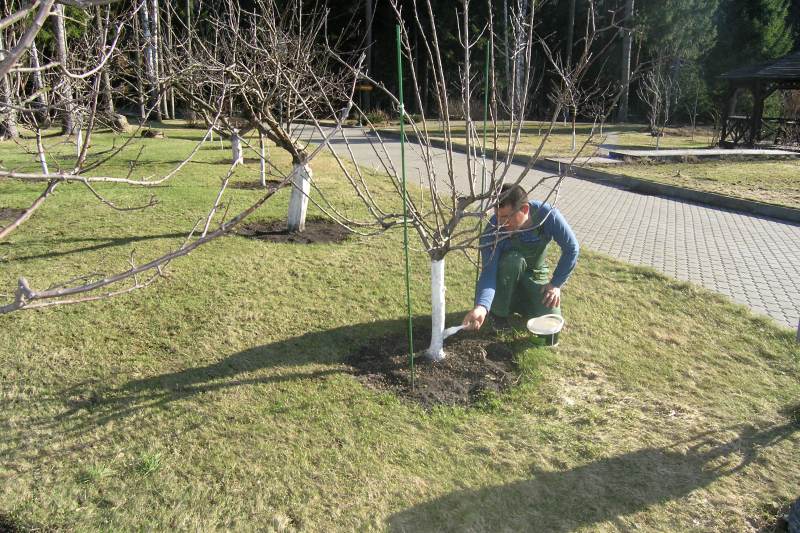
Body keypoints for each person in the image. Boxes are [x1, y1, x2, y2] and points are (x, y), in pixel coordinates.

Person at [462, 183, 579, 332]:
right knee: (513, 260)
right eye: (497, 216)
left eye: (506, 217)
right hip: (505, 278)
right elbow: (488, 272)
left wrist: (556, 284)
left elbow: (572, 248)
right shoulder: (492, 230)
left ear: (524, 209)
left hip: (535, 274)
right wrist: (481, 307)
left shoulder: (547, 215)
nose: (501, 223)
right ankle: (498, 313)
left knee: (551, 320)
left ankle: (522, 303)